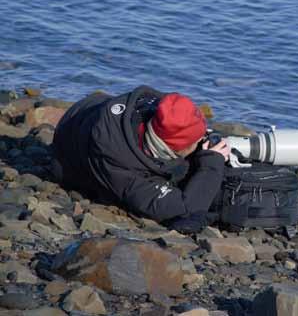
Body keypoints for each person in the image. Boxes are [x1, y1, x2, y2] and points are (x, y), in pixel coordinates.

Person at [52, 85, 230, 233]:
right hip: (68, 152)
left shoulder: (161, 109)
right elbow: (185, 211)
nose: (202, 143)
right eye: (197, 142)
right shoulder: (121, 166)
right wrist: (212, 164)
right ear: (169, 148)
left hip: (92, 108)